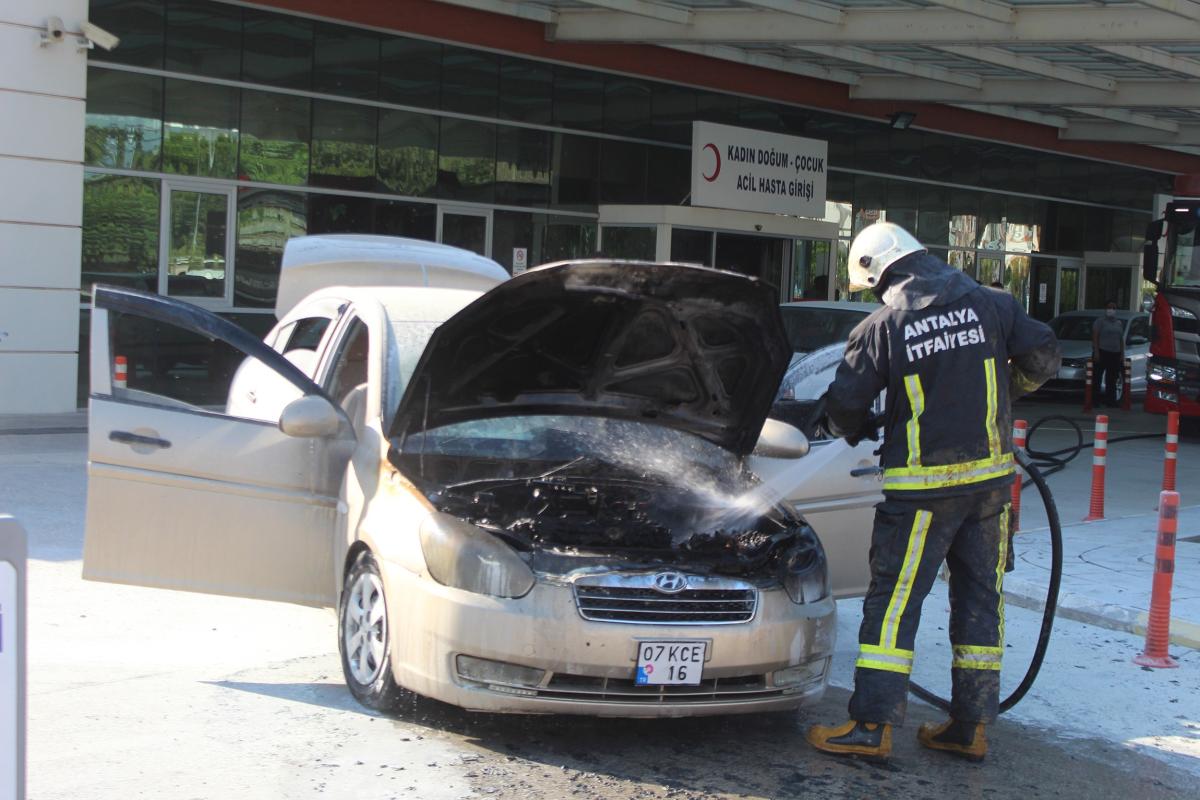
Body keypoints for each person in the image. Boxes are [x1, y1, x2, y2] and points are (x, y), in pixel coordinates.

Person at [805, 222, 1060, 762]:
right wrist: (1003, 396)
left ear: (883, 274)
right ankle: (969, 728)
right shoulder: (993, 305)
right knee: (979, 599)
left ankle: (872, 726)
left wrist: (852, 424)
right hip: (990, 488)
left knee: (894, 605)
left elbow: (846, 407)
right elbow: (1042, 359)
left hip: (921, 494)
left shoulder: (882, 327)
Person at [1092, 302, 1125, 407]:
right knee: (1097, 377)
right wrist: (1096, 351)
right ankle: (1095, 401)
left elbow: (1121, 339)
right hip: (1102, 351)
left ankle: (1111, 400)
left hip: (1115, 353)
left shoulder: (1118, 323)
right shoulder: (1100, 321)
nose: (1111, 310)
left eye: (1113, 308)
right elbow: (1095, 336)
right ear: (1105, 309)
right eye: (1109, 307)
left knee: (1112, 378)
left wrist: (1122, 353)